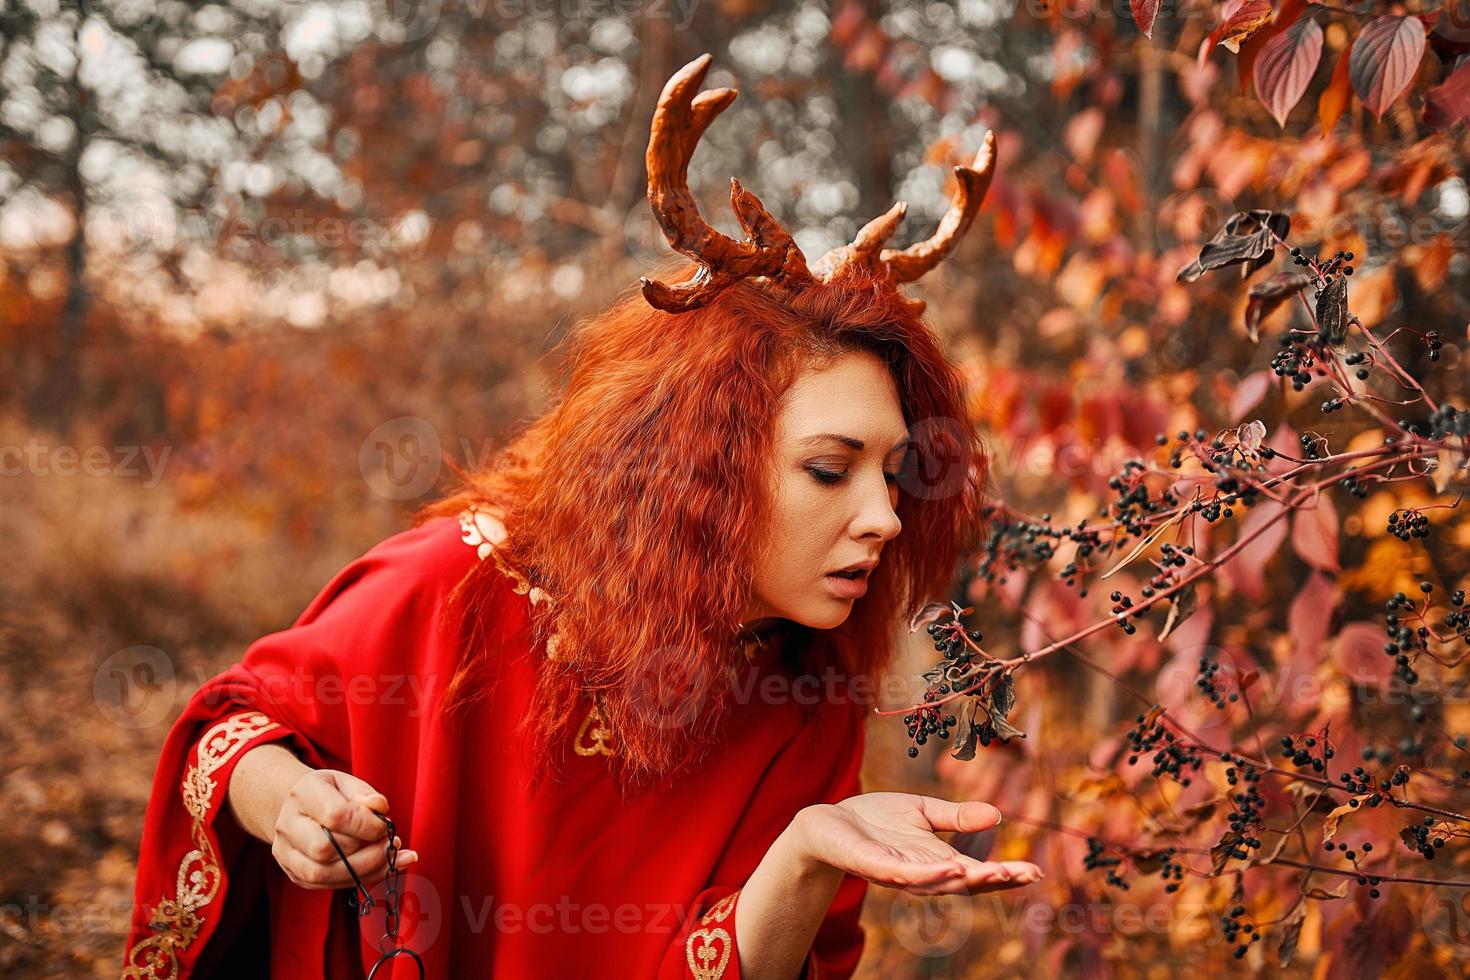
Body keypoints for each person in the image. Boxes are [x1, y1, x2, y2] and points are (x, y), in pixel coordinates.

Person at [121, 53, 1041, 980]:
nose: (884, 518)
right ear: (701, 473)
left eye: (895, 474)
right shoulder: (456, 584)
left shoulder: (810, 687)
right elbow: (231, 728)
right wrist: (287, 801)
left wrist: (805, 853)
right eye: (830, 470)